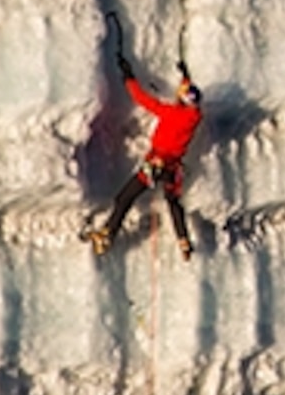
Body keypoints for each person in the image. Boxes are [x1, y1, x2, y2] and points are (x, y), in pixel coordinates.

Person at [83, 15, 204, 259]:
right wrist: (185, 75)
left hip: (157, 163)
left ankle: (107, 235)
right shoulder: (194, 116)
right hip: (172, 168)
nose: (178, 92)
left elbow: (144, 100)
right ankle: (183, 241)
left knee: (124, 198)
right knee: (173, 202)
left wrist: (128, 77)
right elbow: (189, 96)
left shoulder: (172, 113)